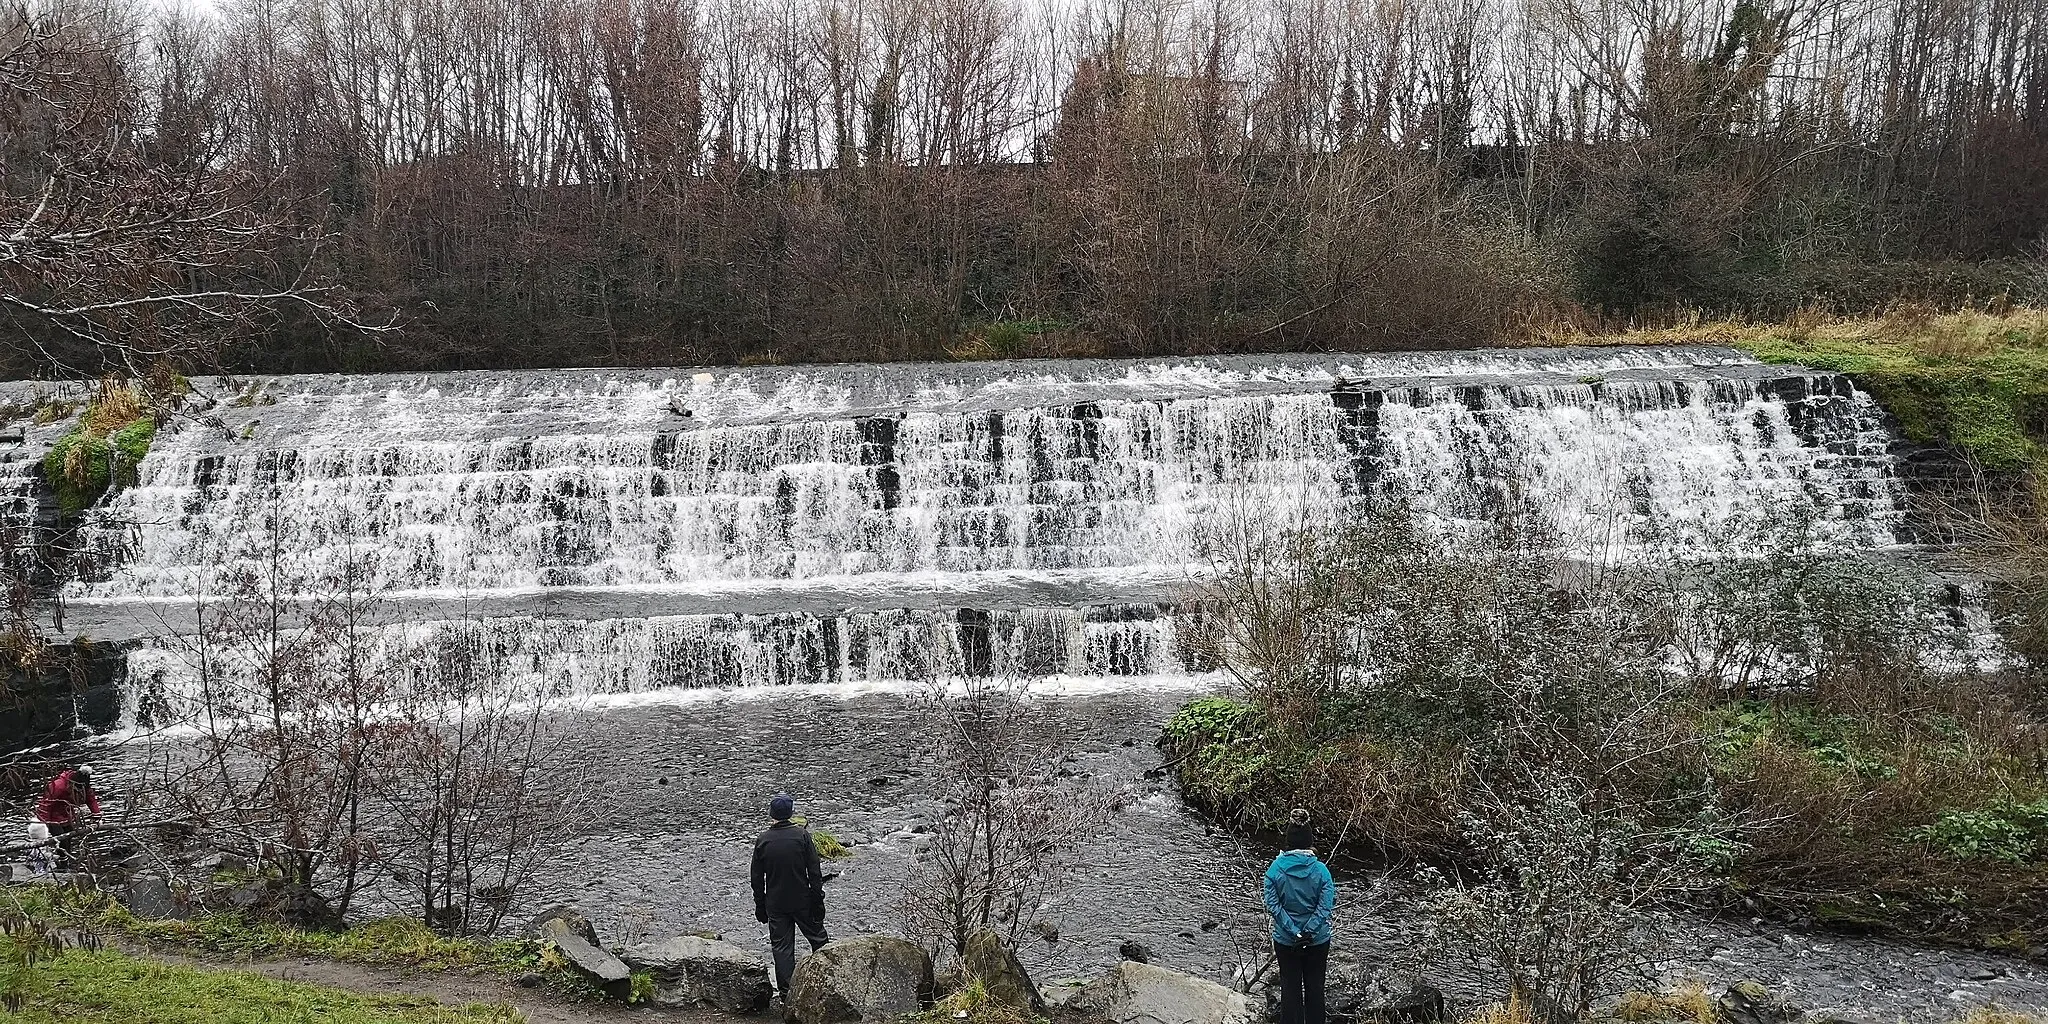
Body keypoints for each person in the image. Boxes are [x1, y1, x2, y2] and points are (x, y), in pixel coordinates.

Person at [751, 791, 829, 998]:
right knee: (819, 940)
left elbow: (757, 878)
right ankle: (828, 983)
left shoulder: (763, 840)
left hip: (775, 903)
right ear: (791, 813)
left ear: (771, 814)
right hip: (802, 899)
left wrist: (760, 905)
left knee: (782, 949)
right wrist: (817, 900)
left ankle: (787, 994)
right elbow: (814, 871)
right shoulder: (802, 836)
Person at [1263, 808, 1335, 1024]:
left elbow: (1273, 906)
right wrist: (1309, 931)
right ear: (1309, 842)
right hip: (1317, 940)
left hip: (1286, 941)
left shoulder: (1274, 871)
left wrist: (1294, 932)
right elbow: (1326, 906)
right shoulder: (1322, 871)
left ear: (1288, 842)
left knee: (1289, 989)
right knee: (1315, 989)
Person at [34, 765, 100, 867]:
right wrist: (43, 823)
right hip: (52, 818)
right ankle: (63, 864)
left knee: (69, 839)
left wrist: (96, 815)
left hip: (67, 816)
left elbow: (91, 799)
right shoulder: (58, 786)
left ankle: (65, 862)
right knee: (62, 839)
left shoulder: (84, 786)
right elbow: (46, 804)